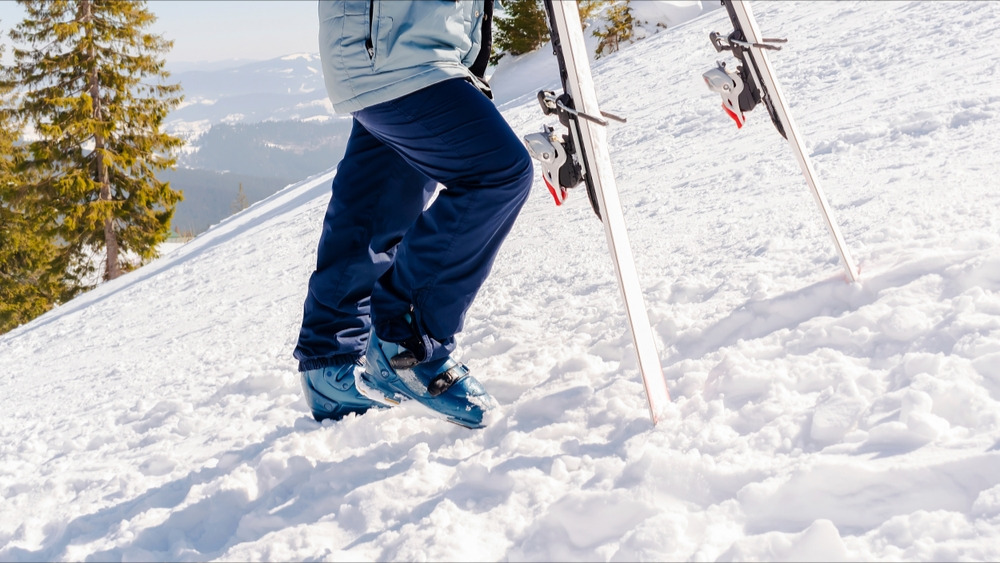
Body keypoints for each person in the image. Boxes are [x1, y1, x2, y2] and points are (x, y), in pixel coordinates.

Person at [293, 0, 533, 429]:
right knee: (497, 173)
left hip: (402, 45)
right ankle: (405, 342)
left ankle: (328, 362)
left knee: (377, 201)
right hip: (393, 49)